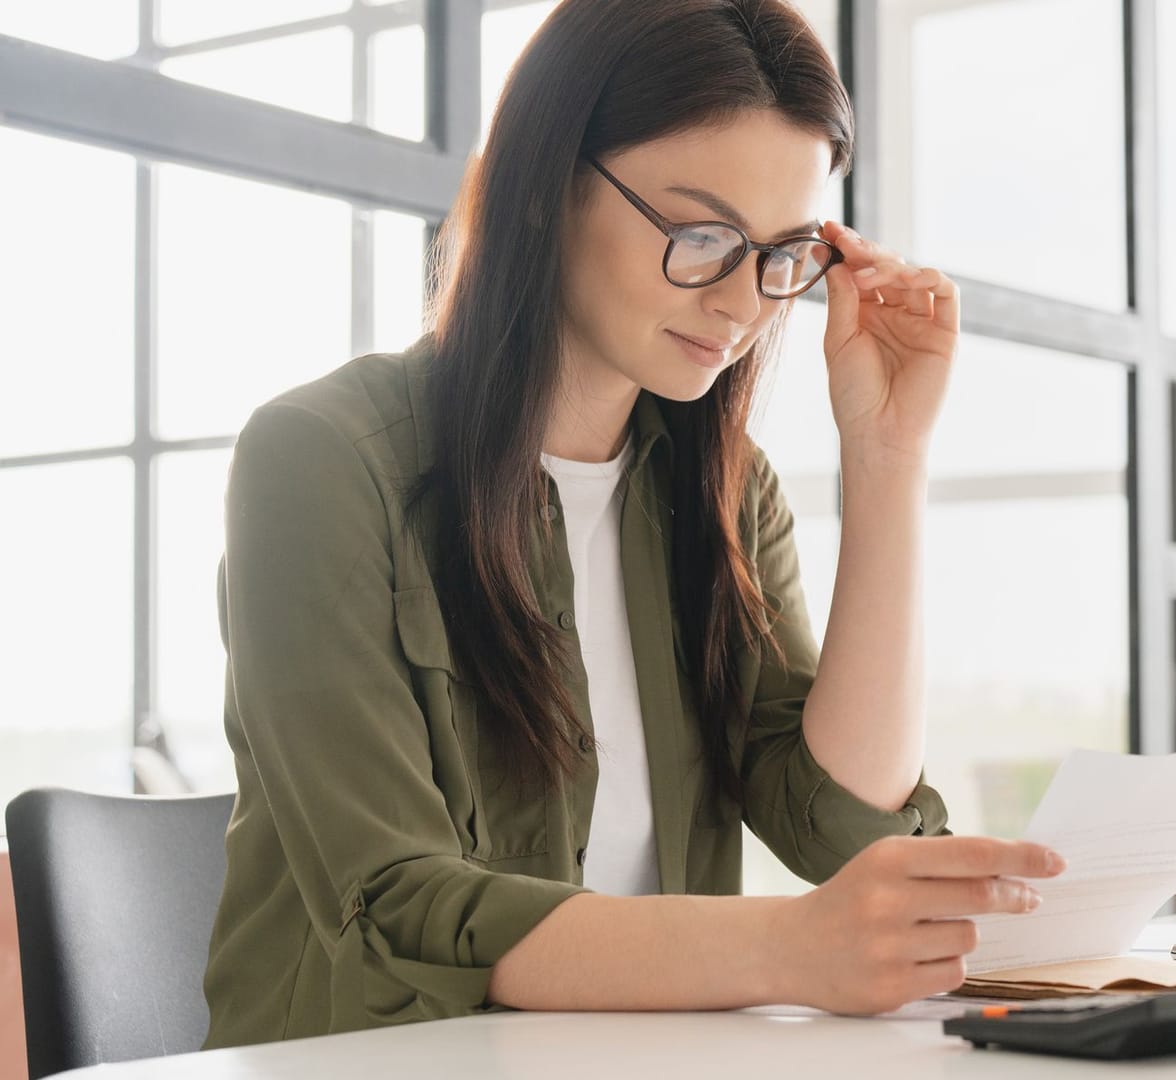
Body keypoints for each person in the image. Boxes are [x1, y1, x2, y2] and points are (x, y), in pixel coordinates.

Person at [201, 0, 1062, 1047]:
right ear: (544, 190)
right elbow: (400, 907)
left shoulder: (727, 491)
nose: (743, 304)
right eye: (701, 236)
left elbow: (840, 826)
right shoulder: (324, 461)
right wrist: (787, 949)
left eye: (782, 254)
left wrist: (888, 459)